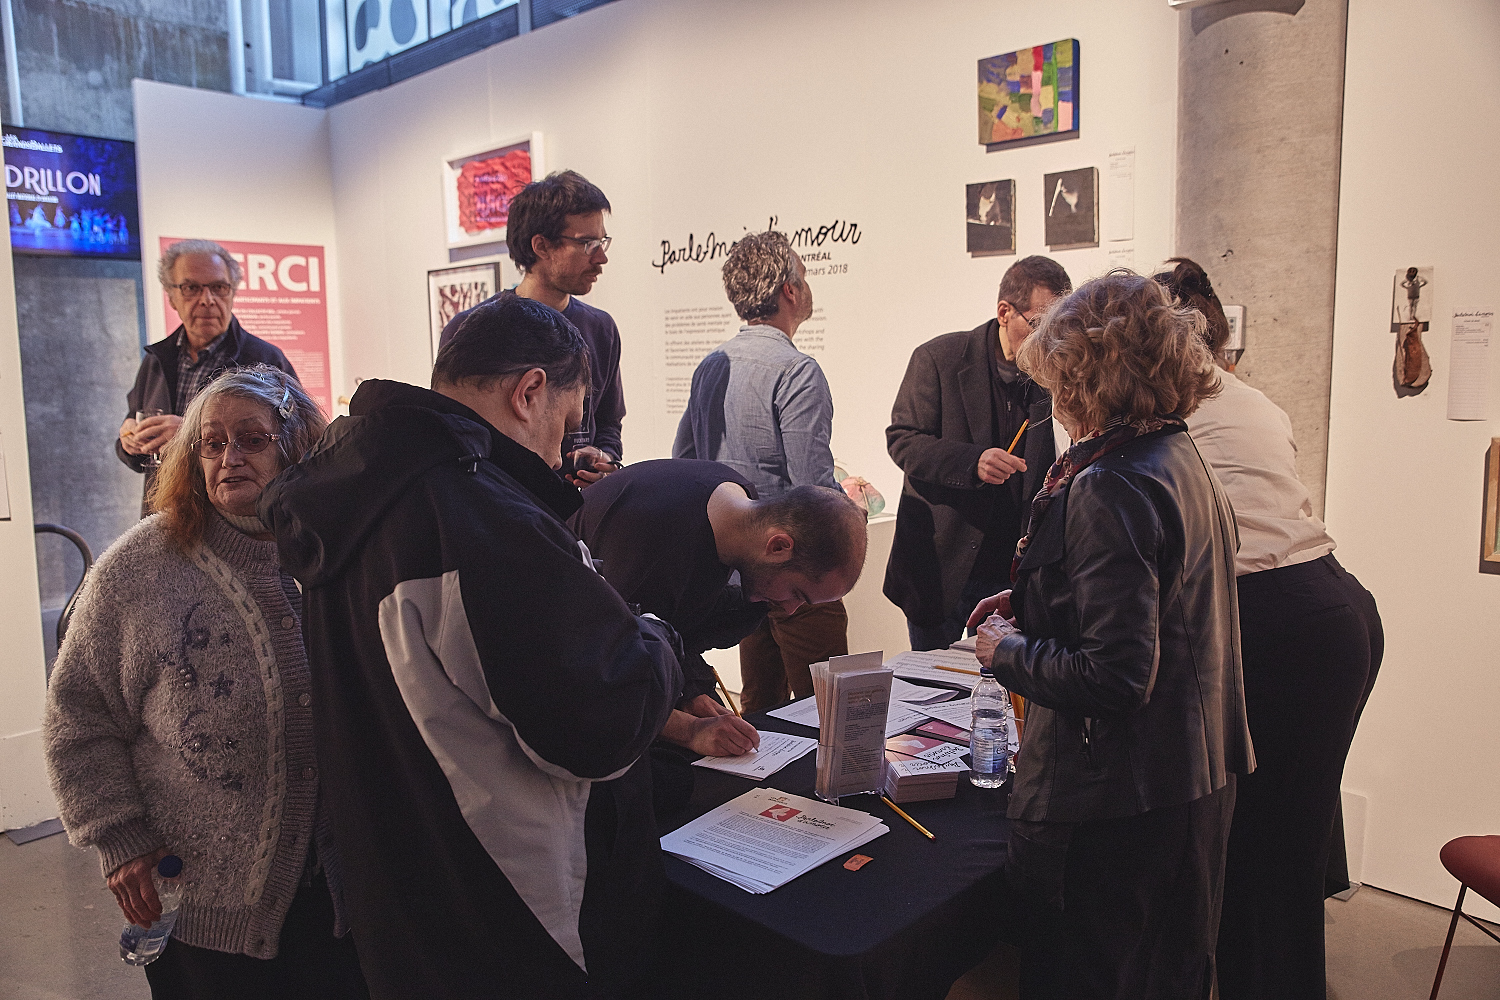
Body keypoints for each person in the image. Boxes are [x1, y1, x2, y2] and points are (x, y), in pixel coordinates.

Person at [259, 292, 681, 1000]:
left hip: (406, 885)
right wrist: (656, 638)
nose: (561, 448)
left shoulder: (357, 487)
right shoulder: (477, 516)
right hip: (507, 911)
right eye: (567, 422)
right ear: (531, 392)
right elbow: (595, 730)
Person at [970, 271, 1254, 999]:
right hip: (1190, 780)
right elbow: (1166, 601)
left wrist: (1007, 652)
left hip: (1117, 807)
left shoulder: (1109, 483)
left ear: (1086, 376)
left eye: (1059, 377)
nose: (1054, 400)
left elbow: (1117, 675)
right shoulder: (1177, 456)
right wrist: (1037, 594)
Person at [44, 366, 366, 1000]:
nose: (229, 457)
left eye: (252, 439)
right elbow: (77, 716)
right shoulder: (142, 566)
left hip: (343, 897)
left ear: (297, 445)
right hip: (205, 901)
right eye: (212, 442)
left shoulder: (340, 547)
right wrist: (119, 836)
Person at [1154, 258, 1384, 1000]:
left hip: (1274, 626)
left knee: (1256, 861)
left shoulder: (1167, 411)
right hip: (1336, 607)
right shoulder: (1252, 399)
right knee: (1287, 851)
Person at [570, 459, 868, 756]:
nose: (790, 610)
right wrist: (688, 731)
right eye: (797, 593)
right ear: (778, 547)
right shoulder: (659, 541)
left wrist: (692, 690)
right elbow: (601, 675)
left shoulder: (731, 499)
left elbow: (668, 618)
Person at [672, 230, 849, 713]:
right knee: (827, 711)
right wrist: (846, 504)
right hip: (801, 573)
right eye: (805, 276)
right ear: (790, 289)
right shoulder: (797, 371)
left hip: (744, 572)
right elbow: (811, 487)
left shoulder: (710, 366)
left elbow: (686, 463)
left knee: (761, 708)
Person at [885, 256, 1071, 650]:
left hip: (1010, 565)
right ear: (1005, 312)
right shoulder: (938, 358)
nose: (1047, 340)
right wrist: (974, 462)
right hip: (941, 564)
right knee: (932, 689)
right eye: (1038, 325)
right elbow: (903, 439)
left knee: (998, 694)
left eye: (1055, 328)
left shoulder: (1048, 370)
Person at [439, 170, 625, 487]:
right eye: (588, 244)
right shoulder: (470, 330)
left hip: (579, 507)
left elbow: (608, 421)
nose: (602, 257)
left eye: (602, 241)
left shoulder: (601, 327)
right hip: (504, 507)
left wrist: (604, 457)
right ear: (541, 246)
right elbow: (454, 434)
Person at [118, 240, 297, 512]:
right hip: (166, 519)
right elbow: (136, 453)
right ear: (171, 297)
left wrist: (191, 436)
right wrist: (129, 442)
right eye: (191, 288)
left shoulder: (265, 361)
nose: (207, 299)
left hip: (236, 525)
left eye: (218, 287)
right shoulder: (156, 360)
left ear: (232, 293)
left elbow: (297, 445)